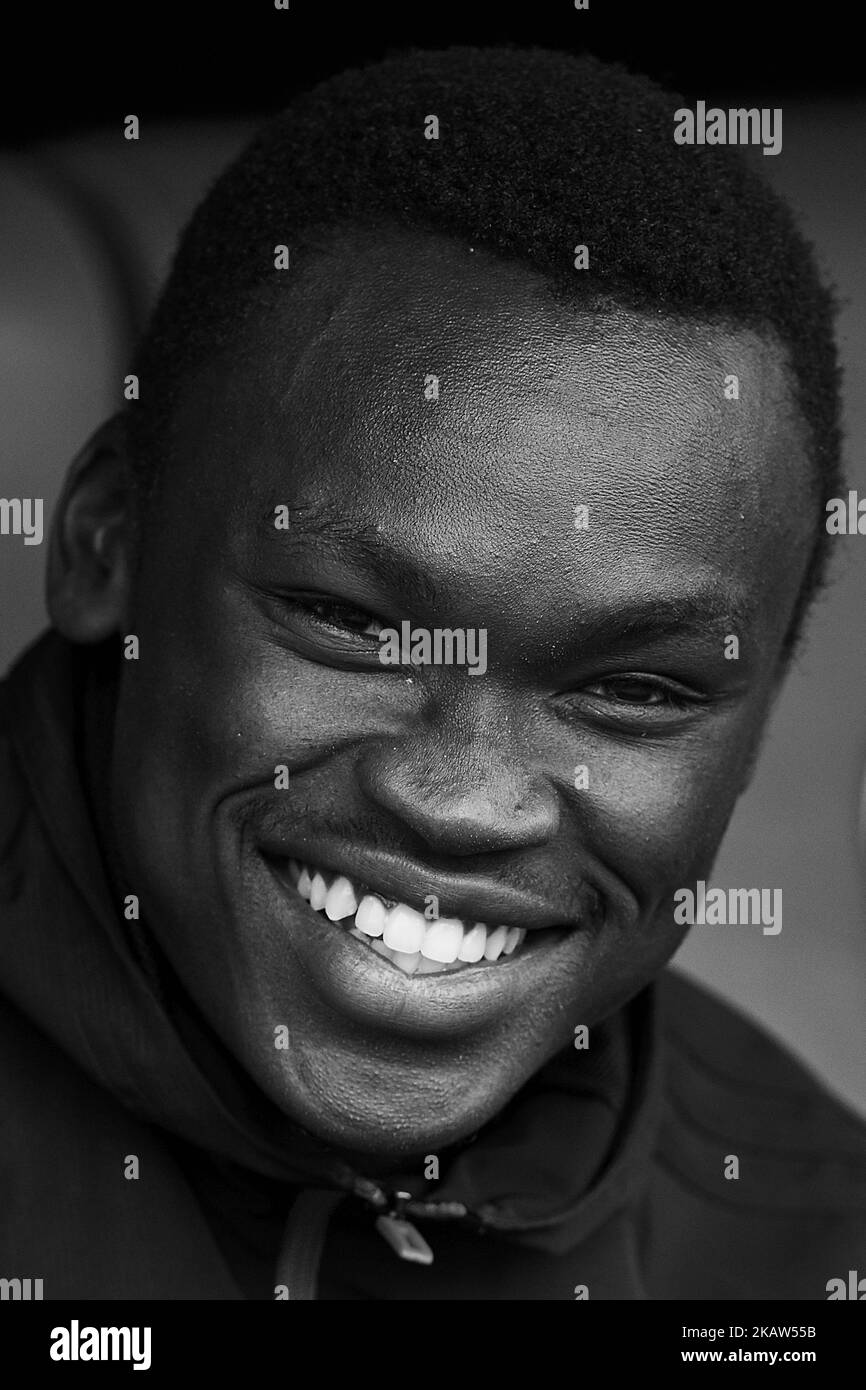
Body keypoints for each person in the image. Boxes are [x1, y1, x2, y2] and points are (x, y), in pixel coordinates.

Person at [1, 46, 863, 1300]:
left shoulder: (802, 1253)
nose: (462, 798)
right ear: (105, 540)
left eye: (634, 690)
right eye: (348, 622)